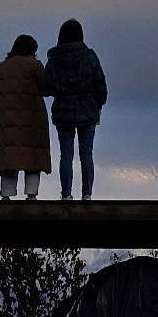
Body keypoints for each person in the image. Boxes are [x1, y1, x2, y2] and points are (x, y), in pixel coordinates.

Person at [42, 18, 107, 201]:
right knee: (86, 154)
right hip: (87, 110)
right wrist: (98, 103)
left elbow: (45, 88)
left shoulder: (54, 60)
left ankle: (66, 194)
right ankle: (86, 194)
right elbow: (100, 84)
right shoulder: (89, 56)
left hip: (63, 111)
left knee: (66, 155)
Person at [0, 33, 52, 200]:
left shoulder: (2, 67)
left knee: (9, 158)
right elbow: (46, 88)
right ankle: (31, 195)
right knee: (33, 157)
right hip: (32, 120)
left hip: (7, 120)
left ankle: (6, 194)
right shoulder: (35, 66)